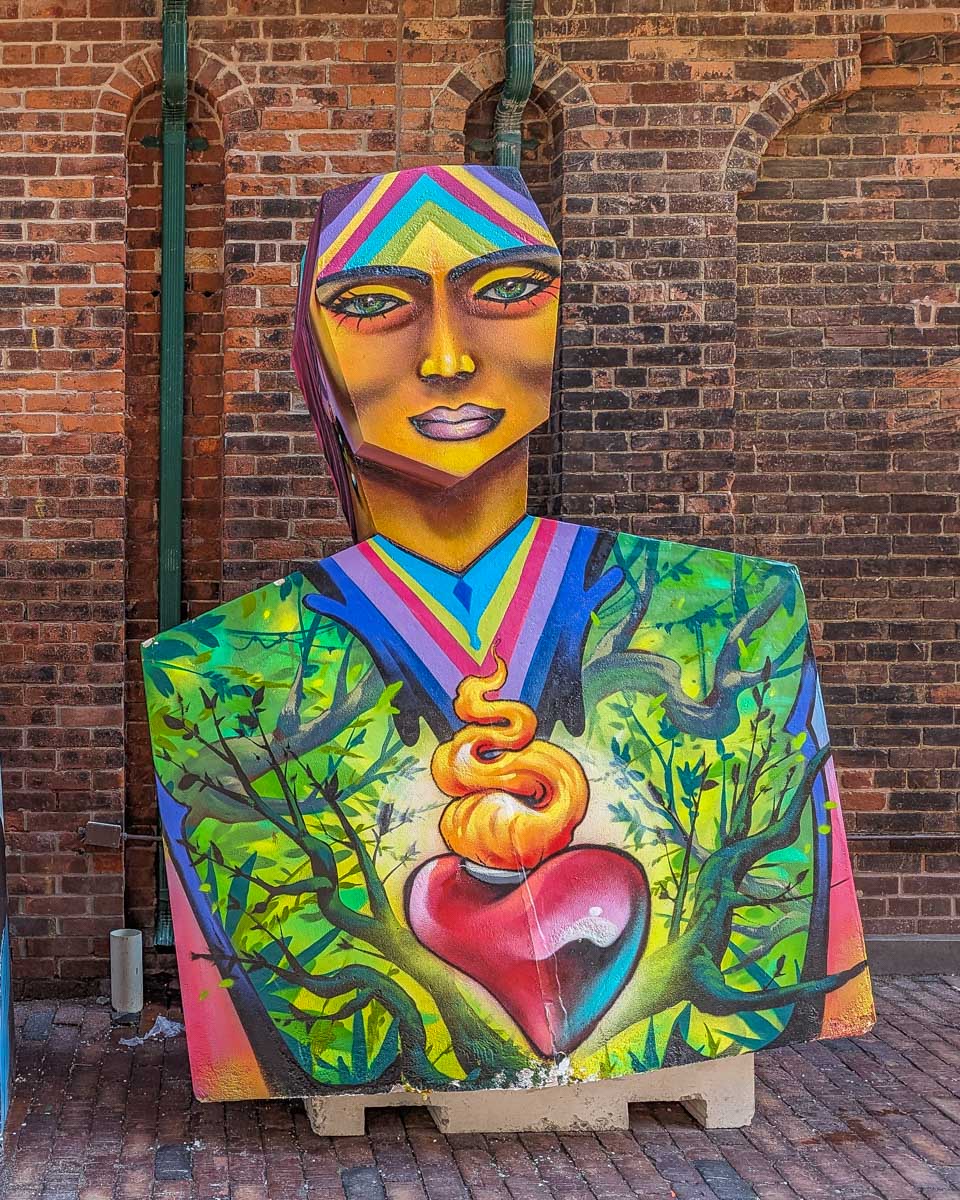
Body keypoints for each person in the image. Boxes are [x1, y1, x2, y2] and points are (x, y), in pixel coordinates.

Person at [142, 165, 873, 1101]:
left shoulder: (736, 614)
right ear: (313, 353)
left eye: (508, 291)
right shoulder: (221, 676)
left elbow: (774, 940)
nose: (447, 355)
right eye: (373, 304)